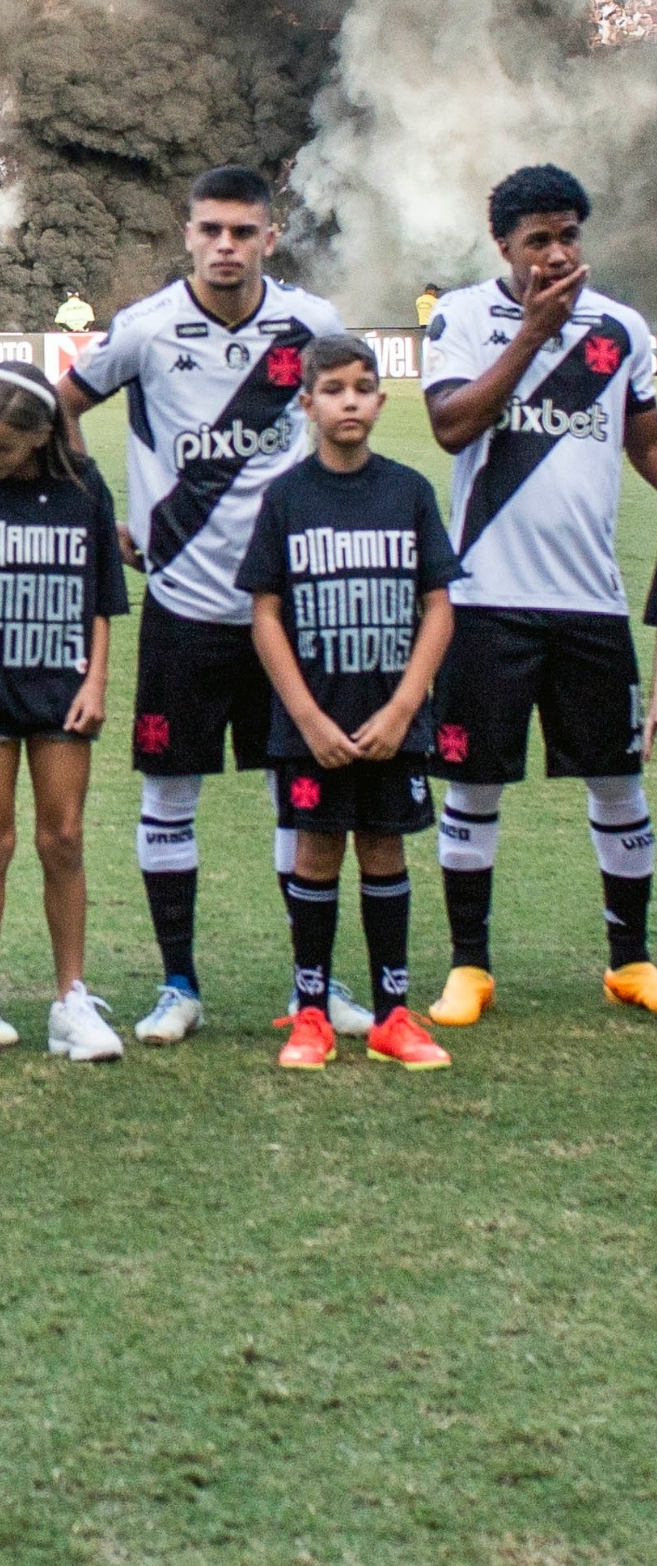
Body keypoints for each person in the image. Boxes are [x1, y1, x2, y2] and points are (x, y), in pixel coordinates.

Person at [61, 165, 346, 1046]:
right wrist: (100, 508)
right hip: (182, 607)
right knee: (168, 795)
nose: (226, 246)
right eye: (211, 230)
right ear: (186, 235)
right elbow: (60, 405)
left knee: (298, 798)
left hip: (286, 612)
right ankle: (177, 984)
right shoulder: (146, 329)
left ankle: (315, 990)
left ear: (271, 236)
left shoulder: (313, 327)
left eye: (243, 231)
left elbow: (347, 414)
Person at [419, 165, 657, 1026]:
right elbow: (451, 426)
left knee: (619, 782)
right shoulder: (465, 318)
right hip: (485, 600)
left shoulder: (622, 332)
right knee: (473, 785)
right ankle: (469, 967)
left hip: (591, 601)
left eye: (569, 236)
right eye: (538, 241)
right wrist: (530, 337)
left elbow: (649, 451)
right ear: (504, 248)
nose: (558, 255)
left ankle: (630, 960)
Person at [240, 335, 459, 1071]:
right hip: (314, 724)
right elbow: (265, 612)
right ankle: (311, 1014)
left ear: (380, 398)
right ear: (306, 403)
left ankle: (394, 1013)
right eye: (333, 389)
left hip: (392, 720)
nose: (350, 400)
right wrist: (305, 716)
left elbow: (439, 606)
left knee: (385, 849)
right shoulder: (288, 497)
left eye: (363, 387)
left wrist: (404, 707)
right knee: (316, 851)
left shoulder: (408, 491)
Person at [0, 362, 131, 1066]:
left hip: (62, 685)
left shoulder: (83, 486)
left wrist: (96, 682)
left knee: (63, 838)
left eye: (2, 447)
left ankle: (71, 998)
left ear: (43, 435)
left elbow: (105, 594)